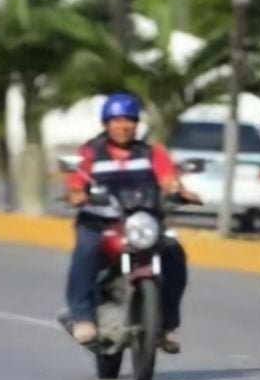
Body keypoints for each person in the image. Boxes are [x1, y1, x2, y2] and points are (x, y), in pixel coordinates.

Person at [64, 92, 197, 352]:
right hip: (100, 222)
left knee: (174, 254)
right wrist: (77, 193)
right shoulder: (91, 152)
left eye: (129, 120)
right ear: (106, 123)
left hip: (142, 222)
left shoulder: (151, 152)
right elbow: (76, 182)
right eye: (116, 120)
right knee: (86, 250)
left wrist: (177, 190)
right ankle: (82, 317)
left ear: (137, 124)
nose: (123, 126)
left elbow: (168, 177)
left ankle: (168, 326)